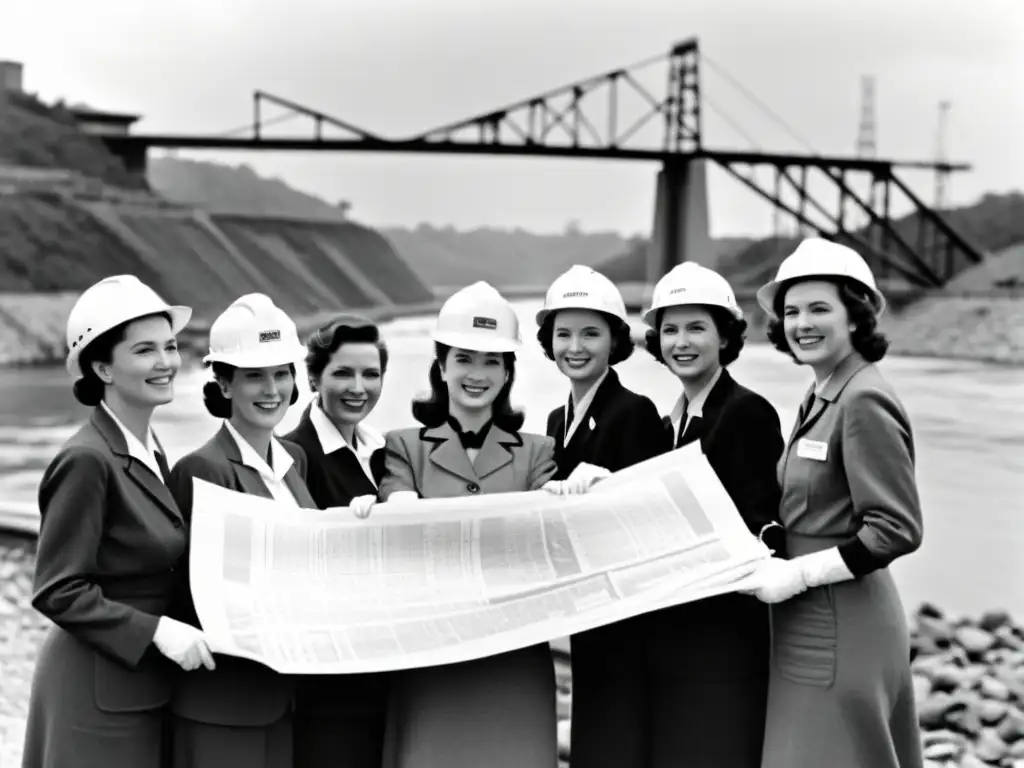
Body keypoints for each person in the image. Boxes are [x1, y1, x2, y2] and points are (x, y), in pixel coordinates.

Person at [353, 281, 560, 768]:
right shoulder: (403, 446)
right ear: (441, 366)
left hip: (514, 656)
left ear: (509, 373)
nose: (477, 374)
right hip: (433, 656)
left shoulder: (540, 453)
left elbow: (547, 539)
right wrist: (384, 510)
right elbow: (400, 506)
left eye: (493, 362)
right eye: (464, 358)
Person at [743, 238, 924, 768]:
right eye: (792, 311)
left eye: (820, 309)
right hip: (811, 614)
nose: (803, 323)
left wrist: (798, 575)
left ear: (856, 316)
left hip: (842, 620)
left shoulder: (863, 397)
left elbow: (895, 529)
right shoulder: (822, 390)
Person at [22, 275, 213, 768]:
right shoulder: (88, 460)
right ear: (103, 367)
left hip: (138, 687)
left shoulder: (148, 448)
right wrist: (159, 632)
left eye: (170, 347)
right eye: (145, 350)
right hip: (92, 692)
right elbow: (57, 589)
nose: (167, 362)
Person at [634, 261, 784, 768]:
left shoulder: (746, 412)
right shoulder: (669, 420)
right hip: (677, 632)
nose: (681, 341)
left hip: (723, 640)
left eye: (697, 327)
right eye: (670, 329)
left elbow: (755, 527)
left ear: (725, 336)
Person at [165, 293, 316, 768]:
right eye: (254, 375)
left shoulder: (295, 464)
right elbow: (191, 595)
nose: (271, 389)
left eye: (281, 373)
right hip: (223, 705)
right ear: (225, 384)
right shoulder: (202, 469)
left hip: (281, 700)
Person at [533, 265, 668, 768]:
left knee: (618, 738)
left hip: (628, 615)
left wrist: (613, 489)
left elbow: (651, 516)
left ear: (615, 340)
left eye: (591, 333)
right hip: (588, 608)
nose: (576, 346)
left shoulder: (635, 411)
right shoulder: (556, 420)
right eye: (563, 333)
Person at [283, 315, 391, 768]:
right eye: (342, 373)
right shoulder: (292, 456)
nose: (358, 387)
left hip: (383, 669)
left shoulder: (386, 453)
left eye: (371, 373)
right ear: (312, 377)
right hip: (328, 682)